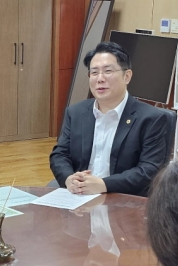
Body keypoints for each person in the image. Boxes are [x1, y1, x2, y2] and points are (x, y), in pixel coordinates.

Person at [49, 41, 170, 197]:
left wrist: (104, 184)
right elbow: (60, 154)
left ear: (127, 76)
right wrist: (68, 178)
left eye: (107, 71)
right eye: (94, 72)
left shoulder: (151, 118)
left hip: (123, 198)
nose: (100, 79)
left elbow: (149, 170)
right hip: (79, 195)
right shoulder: (76, 112)